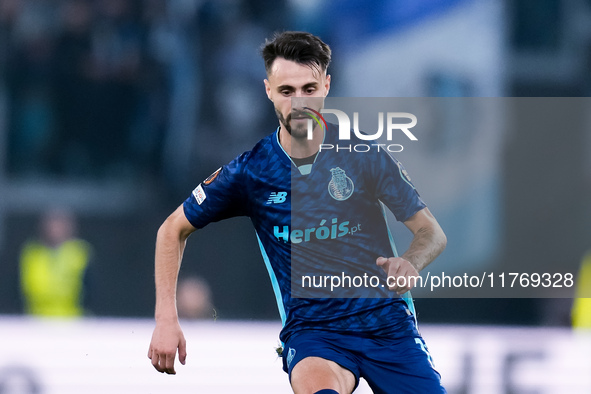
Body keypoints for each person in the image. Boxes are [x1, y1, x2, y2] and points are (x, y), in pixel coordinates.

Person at [148, 31, 447, 393]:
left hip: (387, 327)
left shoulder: (365, 154)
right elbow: (171, 230)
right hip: (315, 335)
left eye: (309, 89)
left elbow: (431, 232)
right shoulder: (250, 171)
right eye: (287, 91)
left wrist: (410, 262)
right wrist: (166, 318)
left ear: (326, 85)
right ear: (268, 90)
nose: (299, 102)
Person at [19, 208, 93, 317]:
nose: (55, 229)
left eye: (60, 224)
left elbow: (92, 289)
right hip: (36, 320)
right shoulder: (32, 253)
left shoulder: (80, 252)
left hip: (72, 320)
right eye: (52, 224)